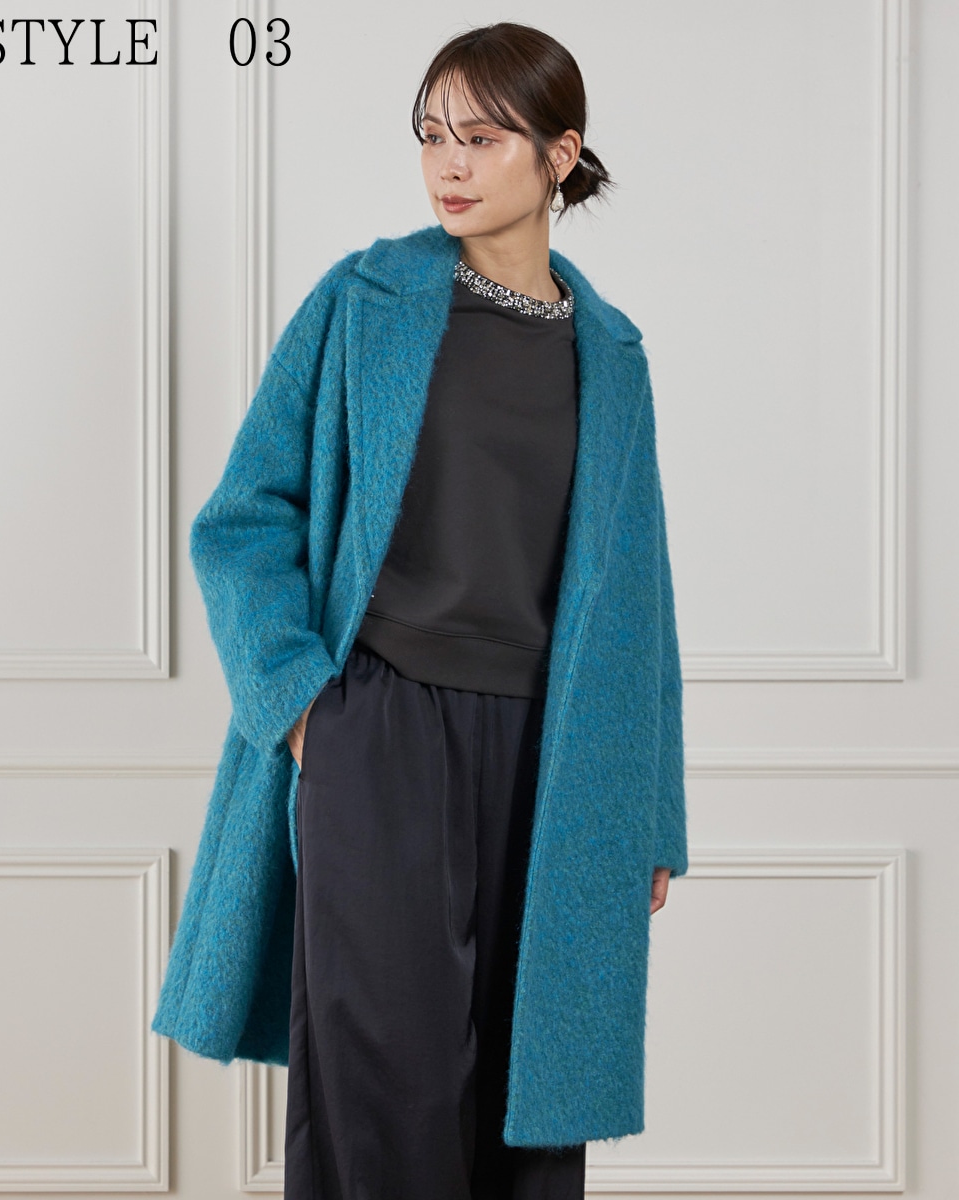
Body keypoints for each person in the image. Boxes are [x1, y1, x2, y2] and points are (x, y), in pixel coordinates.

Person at [151, 20, 688, 1200]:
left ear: (559, 154)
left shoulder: (612, 355)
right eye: (432, 136)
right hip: (380, 729)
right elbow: (242, 517)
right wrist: (304, 709)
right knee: (380, 1090)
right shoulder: (365, 302)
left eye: (481, 139)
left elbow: (639, 599)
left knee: (532, 1100)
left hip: (557, 759)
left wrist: (652, 812)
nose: (448, 164)